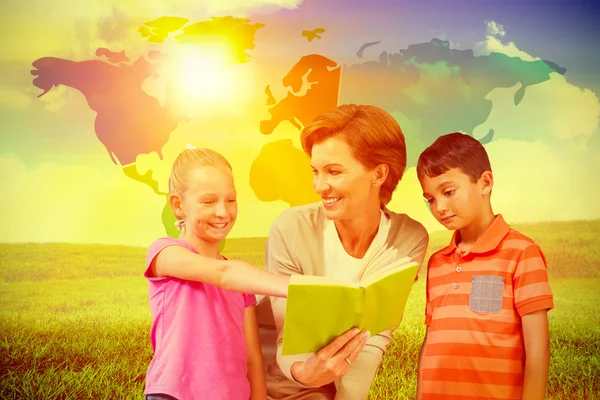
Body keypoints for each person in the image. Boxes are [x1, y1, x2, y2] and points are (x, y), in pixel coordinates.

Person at [256, 104, 430, 399]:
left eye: (334, 171)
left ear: (378, 174)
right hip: (267, 380)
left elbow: (374, 334)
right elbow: (290, 334)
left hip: (325, 388)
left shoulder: (409, 238)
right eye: (316, 171)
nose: (319, 186)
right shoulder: (291, 228)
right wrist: (304, 373)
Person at [415, 132, 554, 400]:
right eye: (430, 199)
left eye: (448, 192)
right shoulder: (437, 263)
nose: (439, 207)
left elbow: (538, 351)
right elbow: (431, 341)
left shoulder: (522, 253)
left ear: (485, 183)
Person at [143, 147, 290, 400]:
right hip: (175, 395)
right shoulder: (165, 253)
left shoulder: (241, 283)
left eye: (230, 199)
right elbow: (223, 274)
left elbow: (253, 361)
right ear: (178, 206)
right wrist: (297, 286)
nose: (223, 212)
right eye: (209, 201)